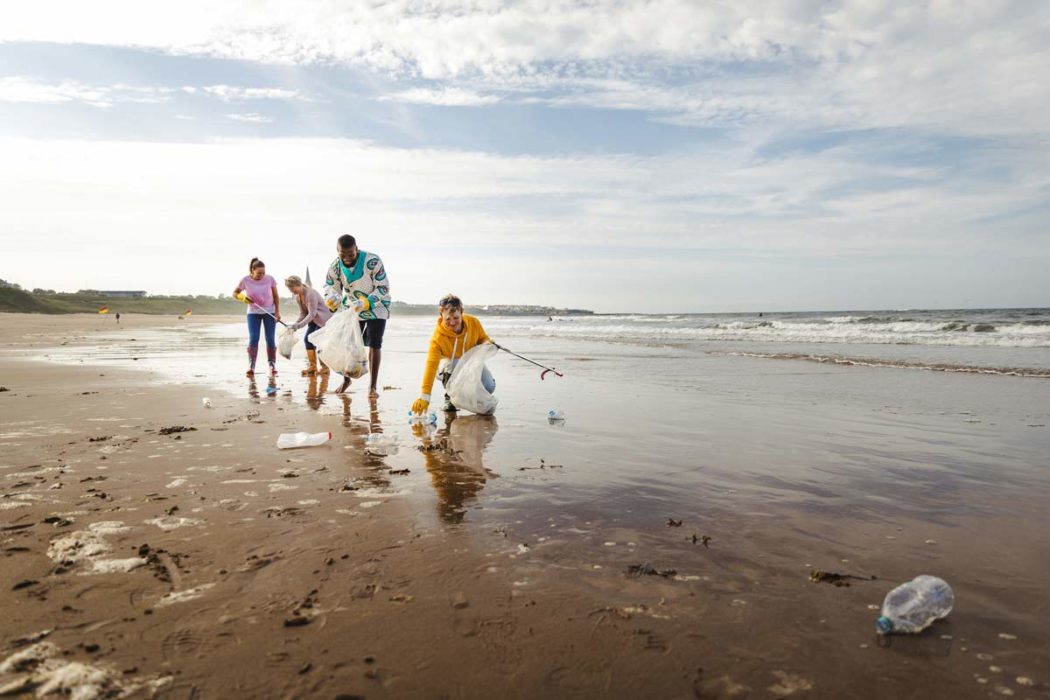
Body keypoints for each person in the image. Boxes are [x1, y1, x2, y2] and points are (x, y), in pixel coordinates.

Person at [323, 234, 391, 396]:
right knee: (349, 343)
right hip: (353, 307)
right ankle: (346, 379)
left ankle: (372, 387)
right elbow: (330, 287)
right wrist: (331, 299)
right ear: (337, 252)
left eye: (351, 254)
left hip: (377, 306)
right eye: (342, 255)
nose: (347, 258)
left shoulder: (373, 261)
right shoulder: (336, 266)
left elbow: (383, 288)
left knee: (375, 343)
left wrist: (367, 302)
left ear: (357, 250)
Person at [411, 294, 496, 414]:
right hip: (448, 367)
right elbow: (431, 366)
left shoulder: (473, 322)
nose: (452, 322)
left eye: (456, 318)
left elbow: (483, 338)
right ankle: (450, 396)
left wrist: (488, 343)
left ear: (461, 312)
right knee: (451, 364)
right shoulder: (437, 338)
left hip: (470, 363)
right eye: (447, 319)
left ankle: (469, 397)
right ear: (442, 316)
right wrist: (425, 397)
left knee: (489, 386)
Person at [233, 257, 280, 377]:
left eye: (263, 273)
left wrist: (277, 312)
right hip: (253, 312)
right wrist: (242, 298)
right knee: (254, 337)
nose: (261, 275)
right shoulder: (245, 280)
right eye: (259, 273)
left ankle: (272, 364)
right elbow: (235, 293)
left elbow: (275, 295)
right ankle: (251, 364)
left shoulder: (270, 279)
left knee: (270, 338)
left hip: (269, 311)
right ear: (252, 270)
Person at [284, 275, 332, 376]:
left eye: (292, 288)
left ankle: (324, 367)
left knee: (318, 341)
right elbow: (303, 313)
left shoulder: (311, 294)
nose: (291, 291)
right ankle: (313, 366)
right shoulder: (298, 297)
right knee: (307, 339)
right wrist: (295, 324)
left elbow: (312, 313)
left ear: (299, 284)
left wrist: (299, 325)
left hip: (323, 320)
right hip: (314, 321)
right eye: (289, 289)